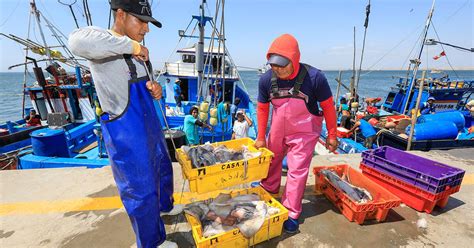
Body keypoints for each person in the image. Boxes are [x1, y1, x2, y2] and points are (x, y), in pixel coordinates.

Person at [68, 1, 175, 247]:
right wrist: (132, 45)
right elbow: (76, 42)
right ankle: (150, 242)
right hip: (126, 131)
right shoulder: (104, 41)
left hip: (148, 126)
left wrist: (155, 90)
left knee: (161, 168)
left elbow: (143, 85)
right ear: (120, 14)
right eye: (141, 21)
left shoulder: (139, 52)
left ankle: (165, 208)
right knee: (140, 188)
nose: (146, 29)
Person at [254, 34, 338, 233]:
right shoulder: (266, 80)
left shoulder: (315, 77)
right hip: (277, 130)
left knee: (297, 170)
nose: (277, 70)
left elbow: (328, 107)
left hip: (304, 132)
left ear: (295, 59)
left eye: (283, 65)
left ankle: (291, 211)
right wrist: (260, 137)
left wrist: (333, 135)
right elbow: (262, 108)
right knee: (271, 161)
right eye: (274, 65)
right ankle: (269, 189)